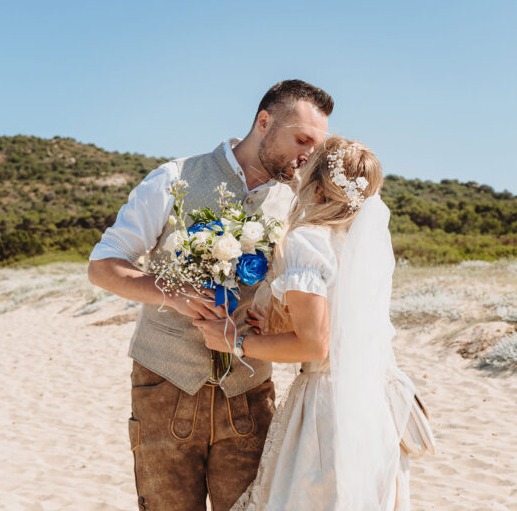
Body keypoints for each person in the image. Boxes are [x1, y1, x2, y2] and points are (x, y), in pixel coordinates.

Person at [87, 79, 333, 511]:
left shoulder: (298, 206)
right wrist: (174, 293)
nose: (309, 154)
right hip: (164, 384)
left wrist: (273, 321)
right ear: (264, 122)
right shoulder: (175, 178)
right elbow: (103, 267)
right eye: (302, 139)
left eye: (317, 144)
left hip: (250, 395)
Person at [194, 136, 423, 510]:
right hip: (374, 403)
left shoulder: (307, 241)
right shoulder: (356, 244)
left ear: (316, 187)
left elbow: (315, 345)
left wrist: (233, 341)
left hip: (329, 406)